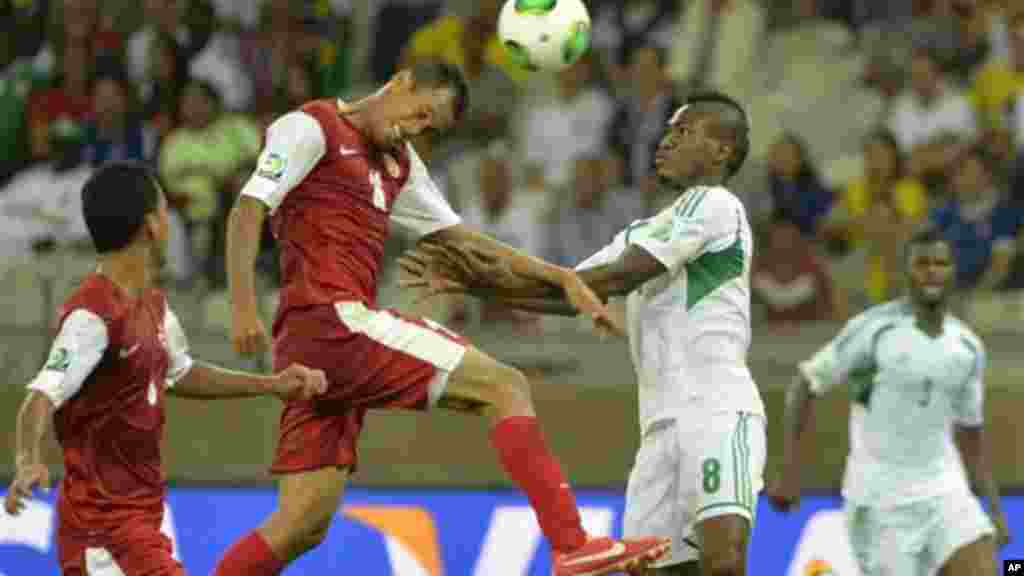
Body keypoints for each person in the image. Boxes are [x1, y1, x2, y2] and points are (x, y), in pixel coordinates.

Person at [212, 61, 670, 576]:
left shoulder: (399, 164)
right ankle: (571, 543)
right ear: (402, 82)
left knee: (302, 523)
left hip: (317, 350)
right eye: (421, 114)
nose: (417, 130)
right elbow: (248, 209)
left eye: (431, 129)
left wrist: (560, 275)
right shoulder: (311, 127)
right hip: (332, 322)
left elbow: (463, 241)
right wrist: (243, 306)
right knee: (503, 385)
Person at [402, 91, 766, 576]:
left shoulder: (715, 205)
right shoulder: (645, 230)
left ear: (723, 150)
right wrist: (470, 283)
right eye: (668, 130)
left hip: (718, 409)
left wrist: (481, 273)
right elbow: (566, 293)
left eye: (684, 132)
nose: (666, 140)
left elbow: (615, 280)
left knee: (724, 563)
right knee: (656, 571)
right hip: (658, 426)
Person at [3, 162, 328, 576]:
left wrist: (272, 384)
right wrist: (28, 459)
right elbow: (40, 396)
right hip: (103, 535)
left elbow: (180, 371)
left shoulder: (153, 305)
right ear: (151, 227)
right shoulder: (94, 316)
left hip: (138, 524)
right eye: (163, 208)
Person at [767, 226, 1011, 576]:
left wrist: (996, 510)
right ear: (906, 272)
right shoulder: (874, 329)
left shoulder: (967, 346)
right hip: (879, 500)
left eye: (940, 263)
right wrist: (789, 469)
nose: (931, 271)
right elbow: (804, 384)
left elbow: (971, 438)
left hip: (945, 491)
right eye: (921, 263)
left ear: (952, 271)